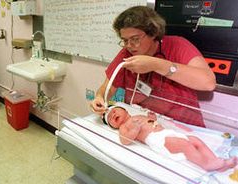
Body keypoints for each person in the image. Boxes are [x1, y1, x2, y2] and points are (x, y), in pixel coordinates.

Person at [91, 6, 216, 127]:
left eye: (135, 39)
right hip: (144, 123)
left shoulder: (178, 45)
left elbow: (208, 82)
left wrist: (155, 64)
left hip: (182, 125)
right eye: (124, 40)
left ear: (153, 33)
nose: (129, 45)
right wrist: (99, 97)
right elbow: (107, 87)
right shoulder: (127, 53)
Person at [103, 106, 237, 172]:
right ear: (114, 126)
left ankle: (216, 161)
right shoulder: (124, 127)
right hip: (155, 139)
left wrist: (152, 118)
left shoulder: (137, 115)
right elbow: (124, 140)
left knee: (195, 140)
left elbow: (150, 123)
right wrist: (135, 130)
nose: (112, 114)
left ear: (125, 110)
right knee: (185, 145)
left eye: (114, 110)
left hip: (166, 132)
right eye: (110, 118)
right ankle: (206, 165)